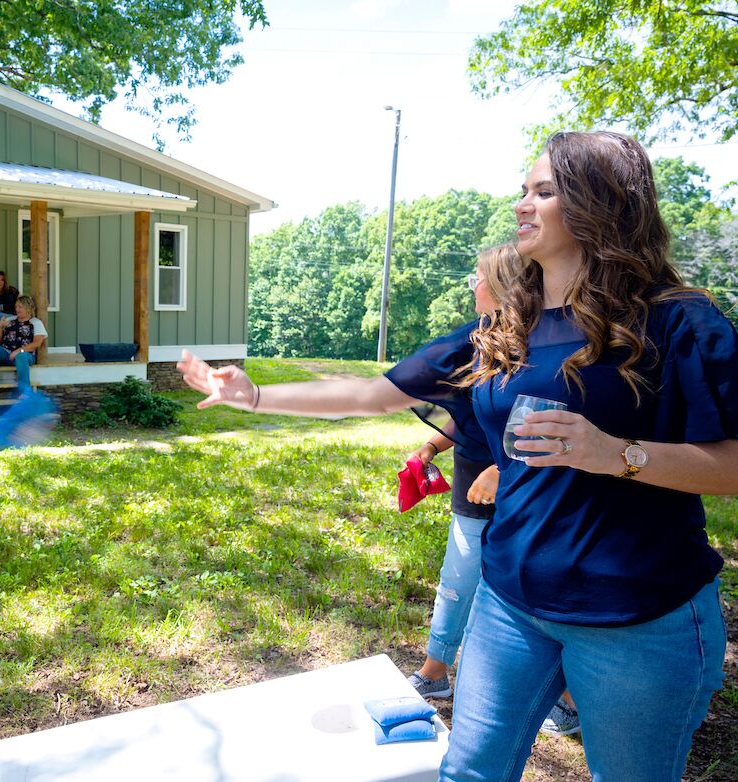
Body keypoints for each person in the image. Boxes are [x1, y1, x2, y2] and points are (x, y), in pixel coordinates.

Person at [179, 131, 738, 781]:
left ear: (600, 203)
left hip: (639, 619)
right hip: (511, 603)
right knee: (468, 772)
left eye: (544, 191)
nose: (522, 205)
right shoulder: (504, 331)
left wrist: (617, 454)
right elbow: (369, 393)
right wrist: (252, 395)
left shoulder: (680, 323)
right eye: (523, 191)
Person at [404, 245, 581, 737]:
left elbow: (555, 423)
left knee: (540, 593)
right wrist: (430, 447)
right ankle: (436, 673)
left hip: (531, 500)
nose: (471, 286)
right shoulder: (480, 341)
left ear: (504, 285)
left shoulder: (547, 344)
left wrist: (505, 473)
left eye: (476, 278)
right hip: (471, 491)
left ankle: (566, 698)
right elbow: (469, 416)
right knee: (458, 583)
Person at [0, 294, 45, 392]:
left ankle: (24, 389)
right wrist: (0, 327)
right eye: (16, 306)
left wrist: (18, 351)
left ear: (28, 308)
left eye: (20, 307)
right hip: (7, 354)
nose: (17, 309)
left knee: (21, 356)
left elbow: (37, 343)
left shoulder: (36, 322)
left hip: (25, 355)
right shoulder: (9, 320)